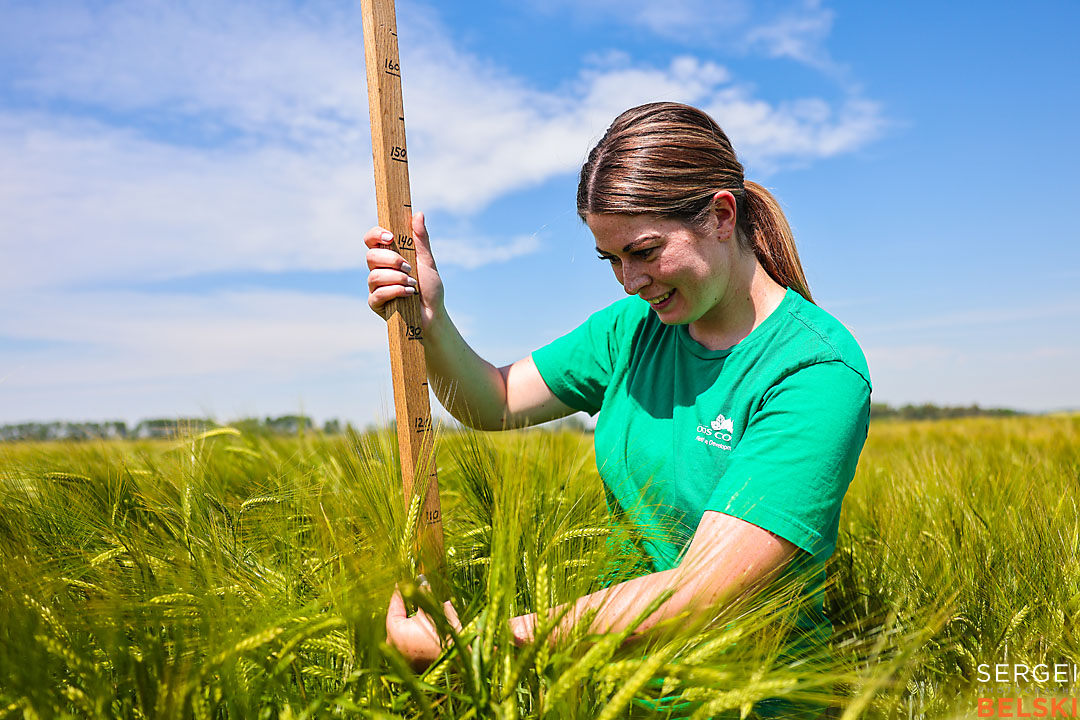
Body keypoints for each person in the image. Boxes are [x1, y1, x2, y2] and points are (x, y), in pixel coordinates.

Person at [366, 102, 871, 714]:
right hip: (614, 693)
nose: (629, 280)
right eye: (611, 259)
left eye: (644, 250)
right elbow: (494, 401)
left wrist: (476, 645)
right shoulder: (633, 328)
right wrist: (432, 320)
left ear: (719, 214)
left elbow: (702, 593)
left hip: (748, 703)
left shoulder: (814, 371)